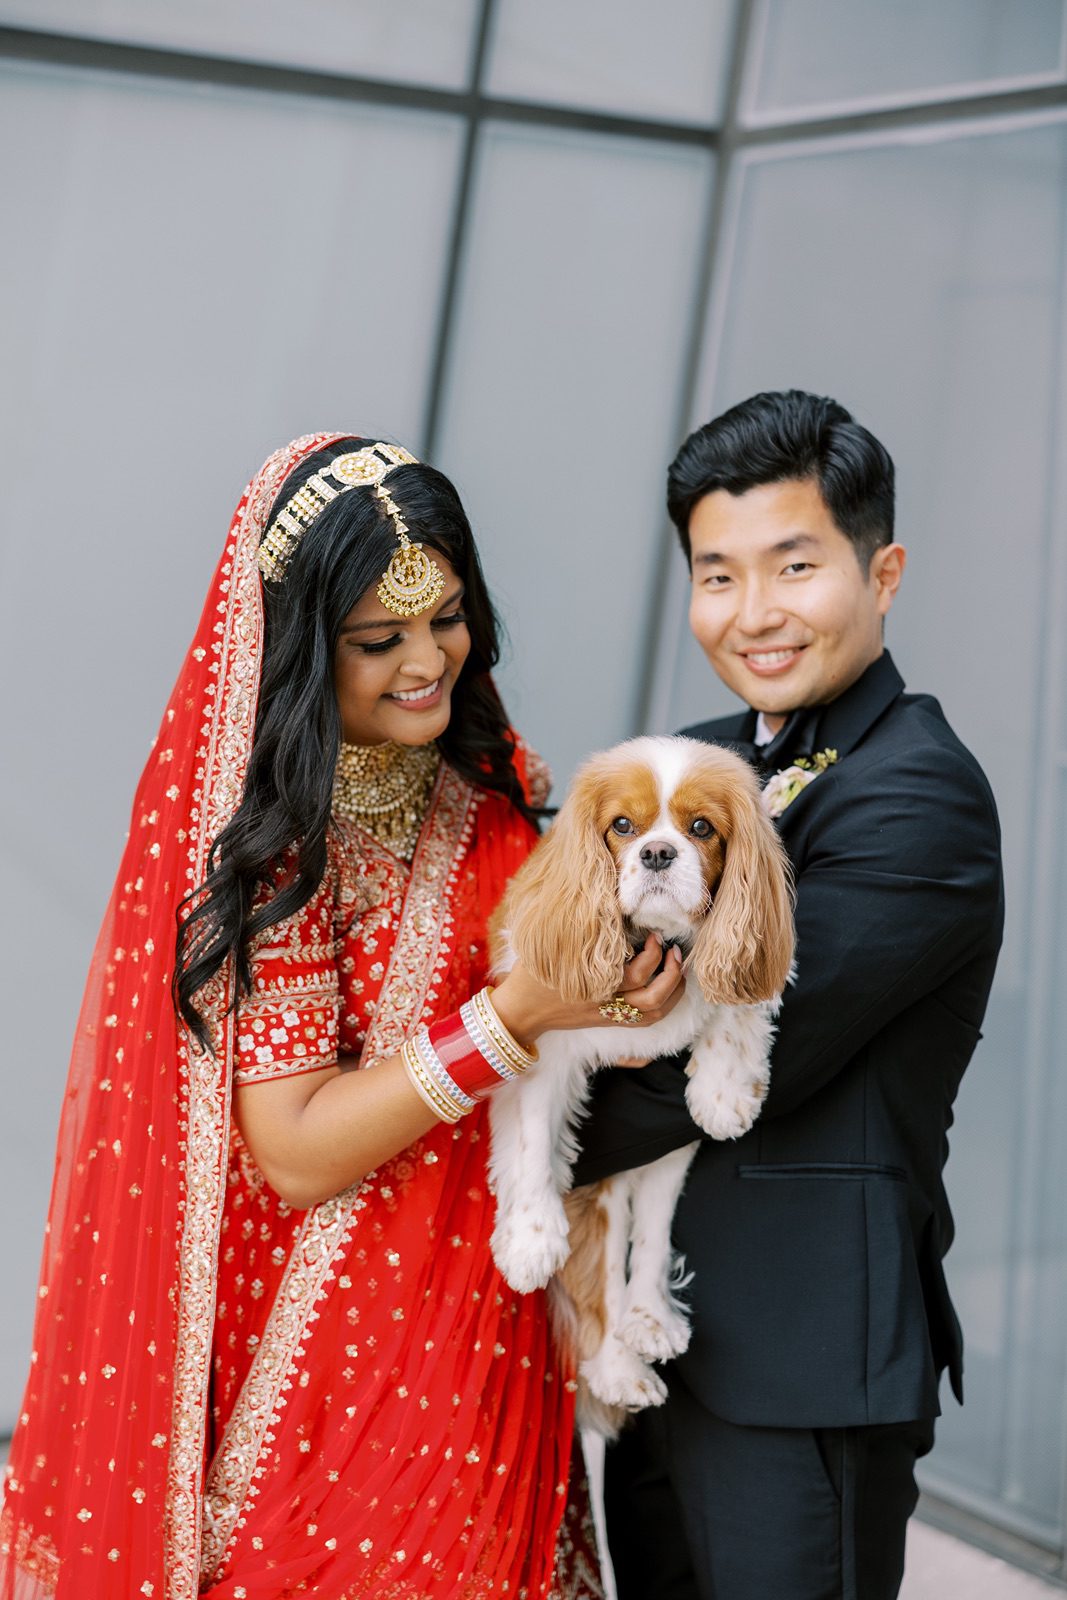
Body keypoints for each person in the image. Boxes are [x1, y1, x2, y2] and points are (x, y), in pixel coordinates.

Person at [0, 432, 684, 1600]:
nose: (427, 661)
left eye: (448, 618)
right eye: (380, 640)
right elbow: (297, 1148)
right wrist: (516, 1014)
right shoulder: (277, 855)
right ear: (306, 648)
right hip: (338, 1372)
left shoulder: (484, 767)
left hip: (486, 1320)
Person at [574, 391, 1005, 1600]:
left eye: (794, 565)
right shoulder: (699, 766)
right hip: (661, 1347)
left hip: (800, 1369)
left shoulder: (916, 795)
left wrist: (446, 1140)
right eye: (716, 575)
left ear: (883, 571)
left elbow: (720, 1060)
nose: (752, 613)